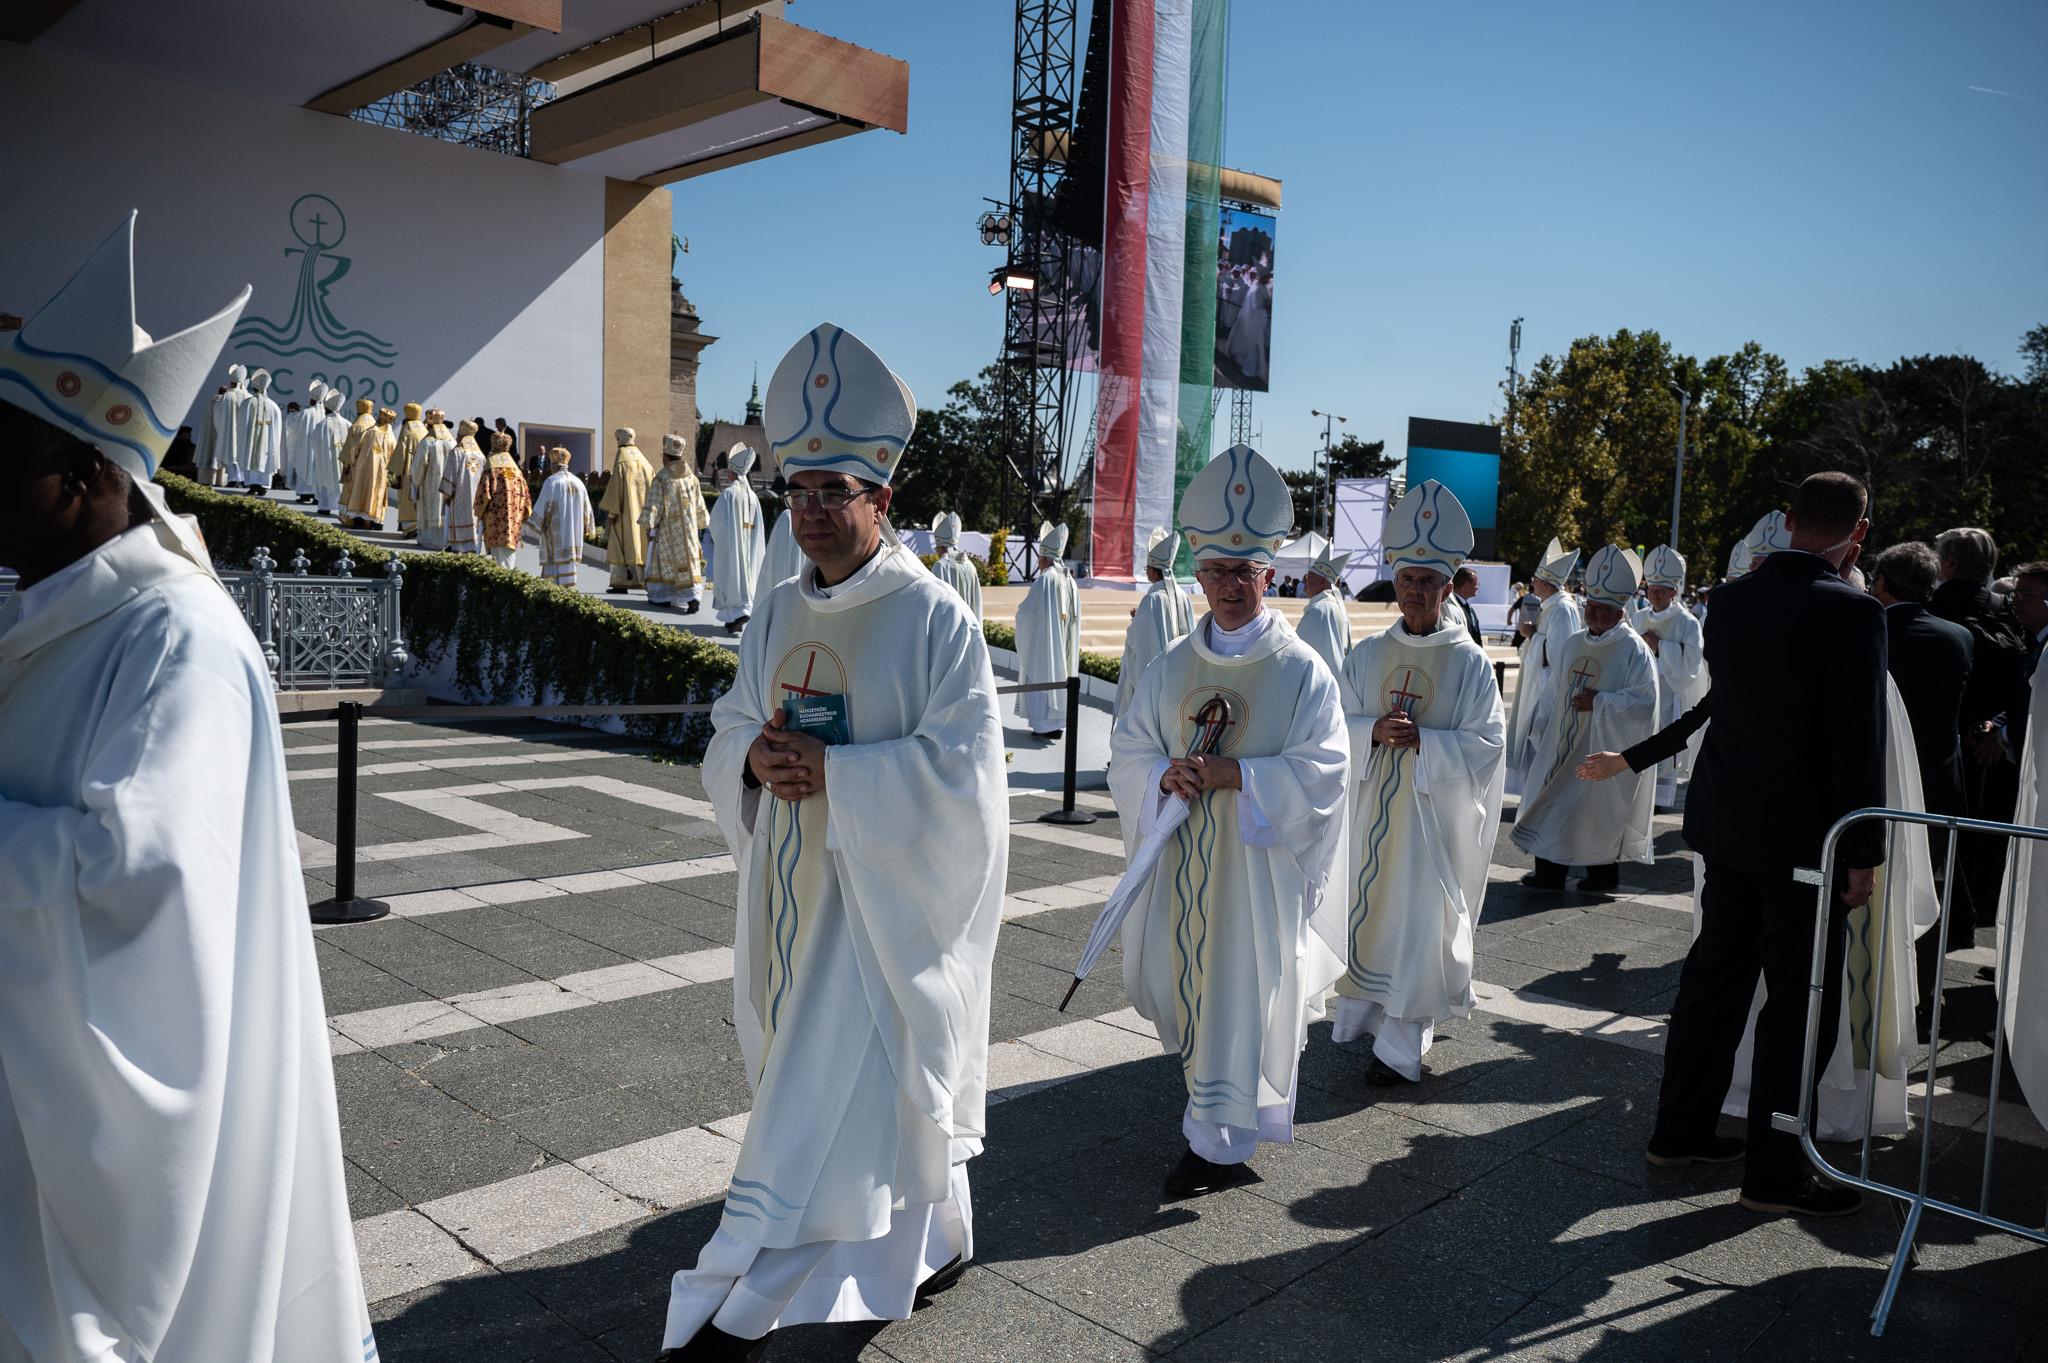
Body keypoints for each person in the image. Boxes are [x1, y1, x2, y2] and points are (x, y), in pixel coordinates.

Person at [0, 210, 373, 1362]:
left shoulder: (177, 638)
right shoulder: (63, 607)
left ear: (81, 475)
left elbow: (135, 889)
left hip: (114, 1145)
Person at [660, 323, 1001, 1359]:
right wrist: (754, 762)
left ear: (880, 498)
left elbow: (965, 778)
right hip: (788, 893)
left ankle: (742, 1304)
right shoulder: (772, 614)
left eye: (831, 492)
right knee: (874, 1103)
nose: (808, 511)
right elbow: (729, 724)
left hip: (876, 908)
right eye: (795, 490)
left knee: (816, 1117)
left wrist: (841, 777)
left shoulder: (935, 619)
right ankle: (941, 1236)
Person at [1107, 442, 1348, 1198]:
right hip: (1184, 869)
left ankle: (1217, 1144)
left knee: (1241, 996)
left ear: (1268, 573)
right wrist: (1161, 774)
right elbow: (1128, 749)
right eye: (1215, 571)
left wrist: (1237, 774)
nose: (1229, 586)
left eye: (1244, 572)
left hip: (1254, 879)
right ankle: (1212, 1125)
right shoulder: (1171, 666)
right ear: (1198, 574)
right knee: (1188, 988)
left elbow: (1326, 770)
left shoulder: (1301, 669)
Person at [1649, 471, 1885, 1217]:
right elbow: (1857, 742)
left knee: (1712, 983)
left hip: (1729, 826)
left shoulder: (1730, 599)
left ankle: (1679, 1129)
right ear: (1859, 533)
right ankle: (1774, 1173)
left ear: (1787, 519)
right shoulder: (1852, 610)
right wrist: (1863, 851)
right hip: (1805, 844)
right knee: (1799, 1004)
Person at [1335, 481, 1505, 1086]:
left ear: (1447, 588)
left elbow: (1488, 742)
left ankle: (1400, 1048)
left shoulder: (1470, 662)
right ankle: (1369, 1022)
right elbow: (1334, 727)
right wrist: (1371, 731)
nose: (1415, 590)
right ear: (1395, 582)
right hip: (1372, 819)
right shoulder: (1367, 654)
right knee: (1371, 916)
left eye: (1428, 581)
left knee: (1420, 925)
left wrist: (1426, 742)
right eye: (1406, 579)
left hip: (1431, 825)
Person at [1510, 546, 1658, 892]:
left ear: (1619, 612)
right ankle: (1550, 874)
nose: (1591, 613)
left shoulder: (1634, 649)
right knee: (1554, 803)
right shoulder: (1575, 642)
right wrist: (1543, 725)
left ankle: (1602, 876)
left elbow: (1644, 703)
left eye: (1600, 609)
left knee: (1594, 809)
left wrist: (1601, 702)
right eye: (1589, 606)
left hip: (1600, 747)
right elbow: (1553, 691)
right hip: (1562, 743)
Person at [1870, 541, 1974, 1013]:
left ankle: (1872, 988)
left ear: (1881, 583)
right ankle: (1924, 992)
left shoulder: (1869, 632)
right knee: (1927, 885)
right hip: (1940, 784)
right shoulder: (1958, 637)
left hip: (1878, 783)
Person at [1932, 526, 2027, 927]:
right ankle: (1987, 903)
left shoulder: (1933, 605)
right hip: (1998, 737)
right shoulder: (2005, 606)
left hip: (1950, 734)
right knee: (1994, 824)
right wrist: (1998, 725)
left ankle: (1954, 911)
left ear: (1950, 561)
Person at [1503, 538, 1582, 794]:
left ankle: (1539, 795)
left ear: (1546, 583)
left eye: (1535, 580)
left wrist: (1532, 636)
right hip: (1538, 685)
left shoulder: (1562, 608)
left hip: (1547, 690)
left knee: (1540, 742)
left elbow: (1560, 653)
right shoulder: (1551, 606)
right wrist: (1535, 637)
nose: (1532, 583)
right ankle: (1531, 794)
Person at [1633, 545, 1705, 808]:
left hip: (1669, 694)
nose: (1655, 594)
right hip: (1641, 692)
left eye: (1661, 590)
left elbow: (1692, 662)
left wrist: (1660, 647)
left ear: (1674, 592)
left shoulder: (1687, 622)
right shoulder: (1638, 618)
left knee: (1663, 743)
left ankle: (1658, 800)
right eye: (1652, 589)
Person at [1113, 526, 1195, 719]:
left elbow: (1140, 646)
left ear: (1152, 570)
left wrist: (1135, 624)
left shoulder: (1151, 600)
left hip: (1156, 685)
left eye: (1146, 568)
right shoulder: (1183, 597)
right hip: (1178, 678)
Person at [1013, 521, 1079, 739]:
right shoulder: (1069, 579)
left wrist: (1020, 614)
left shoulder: (1046, 579)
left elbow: (1027, 615)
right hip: (1062, 643)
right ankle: (1056, 724)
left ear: (1043, 559)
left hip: (1044, 645)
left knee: (1042, 675)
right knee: (1058, 675)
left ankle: (1044, 727)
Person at [644, 433, 709, 612]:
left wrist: (649, 527)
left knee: (665, 562)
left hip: (667, 532)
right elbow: (700, 506)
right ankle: (692, 597)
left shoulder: (662, 478)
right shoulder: (692, 479)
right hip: (689, 532)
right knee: (689, 563)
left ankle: (664, 597)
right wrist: (701, 522)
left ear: (666, 457)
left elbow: (654, 506)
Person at [709, 445, 766, 633]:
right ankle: (736, 615)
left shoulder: (728, 494)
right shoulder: (753, 497)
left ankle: (737, 615)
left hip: (732, 547)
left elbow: (716, 523)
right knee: (745, 576)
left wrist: (720, 540)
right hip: (749, 548)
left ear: (732, 473)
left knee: (731, 574)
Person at [598, 427, 655, 593]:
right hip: (644, 515)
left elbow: (616, 489)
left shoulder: (621, 459)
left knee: (620, 544)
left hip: (625, 514)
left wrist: (612, 513)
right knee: (642, 545)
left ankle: (621, 582)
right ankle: (645, 581)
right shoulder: (646, 463)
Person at [532, 447, 594, 588]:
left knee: (553, 577)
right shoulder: (579, 483)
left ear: (553, 467)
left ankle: (553, 592)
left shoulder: (551, 482)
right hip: (574, 535)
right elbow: (588, 512)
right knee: (569, 570)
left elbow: (541, 508)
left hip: (556, 537)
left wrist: (535, 523)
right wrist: (586, 527)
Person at [1294, 545, 1354, 679]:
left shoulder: (1319, 610)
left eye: (1308, 577)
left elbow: (1300, 652)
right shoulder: (1334, 605)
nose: (1304, 581)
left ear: (1322, 581)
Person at [475, 432, 532, 569]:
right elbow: (526, 496)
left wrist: (479, 511)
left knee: (498, 554)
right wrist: (524, 513)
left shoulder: (490, 468)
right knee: (509, 550)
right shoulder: (517, 471)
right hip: (514, 518)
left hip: (495, 518)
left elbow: (483, 494)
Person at [341, 404, 395, 530]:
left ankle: (359, 519)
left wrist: (351, 462)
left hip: (363, 468)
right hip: (381, 470)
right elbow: (394, 454)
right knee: (377, 492)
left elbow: (354, 447)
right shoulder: (391, 436)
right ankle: (376, 521)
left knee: (361, 490)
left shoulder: (368, 432)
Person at [440, 419, 487, 554]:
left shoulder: (456, 452)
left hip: (459, 495)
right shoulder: (481, 456)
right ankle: (473, 546)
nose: (456, 437)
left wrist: (447, 494)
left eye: (458, 435)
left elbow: (450, 475)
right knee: (473, 519)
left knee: (459, 518)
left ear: (461, 435)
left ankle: (459, 547)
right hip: (475, 498)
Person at [409, 408, 454, 551]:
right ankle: (445, 540)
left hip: (431, 484)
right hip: (448, 485)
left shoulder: (426, 442)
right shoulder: (452, 442)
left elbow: (419, 466)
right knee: (444, 511)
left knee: (431, 509)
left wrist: (415, 480)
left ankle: (430, 540)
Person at [929, 510, 983, 623]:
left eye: (937, 549)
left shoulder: (941, 566)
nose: (937, 553)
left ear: (942, 548)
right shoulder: (970, 565)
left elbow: (934, 600)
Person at [282, 379, 327, 504]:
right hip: (319, 450)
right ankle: (316, 495)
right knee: (317, 470)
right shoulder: (325, 415)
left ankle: (304, 494)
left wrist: (291, 415)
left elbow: (292, 427)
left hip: (305, 449)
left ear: (312, 400)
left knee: (305, 467)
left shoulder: (305, 414)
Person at [242, 368, 283, 494]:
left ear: (254, 388)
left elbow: (241, 423)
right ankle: (262, 486)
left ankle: (255, 485)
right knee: (265, 457)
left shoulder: (248, 403)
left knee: (252, 454)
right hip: (267, 443)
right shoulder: (274, 406)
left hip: (251, 440)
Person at [392, 402, 427, 536]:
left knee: (407, 497)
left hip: (409, 470)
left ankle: (409, 527)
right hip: (422, 471)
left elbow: (400, 453)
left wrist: (397, 472)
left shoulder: (406, 429)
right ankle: (418, 526)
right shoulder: (424, 430)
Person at [1451, 565, 1485, 647]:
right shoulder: (1452, 608)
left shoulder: (1468, 607)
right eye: (1476, 584)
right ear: (1466, 585)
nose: (1477, 588)